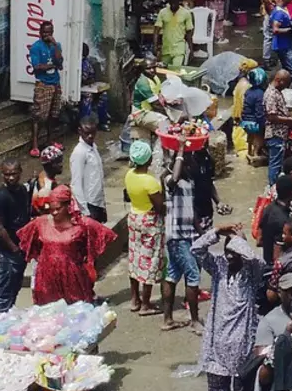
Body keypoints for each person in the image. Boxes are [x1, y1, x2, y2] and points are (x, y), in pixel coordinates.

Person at [196, 222, 266, 391]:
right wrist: (218, 232)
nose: (229, 257)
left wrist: (238, 240)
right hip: (215, 353)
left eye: (234, 253)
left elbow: (254, 258)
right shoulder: (218, 268)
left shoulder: (251, 271)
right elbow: (197, 249)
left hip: (244, 356)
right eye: (227, 252)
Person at [18, 188, 116, 304]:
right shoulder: (40, 223)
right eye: (51, 209)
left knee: (77, 312)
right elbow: (26, 239)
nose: (54, 213)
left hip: (72, 276)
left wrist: (86, 254)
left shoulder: (82, 224)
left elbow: (105, 235)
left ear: (68, 205)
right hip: (46, 277)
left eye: (58, 209)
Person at [164, 152, 213, 330]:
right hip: (177, 236)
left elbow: (191, 211)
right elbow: (174, 177)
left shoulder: (189, 182)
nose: (192, 165)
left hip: (187, 235)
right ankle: (194, 320)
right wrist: (181, 149)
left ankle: (168, 319)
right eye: (189, 162)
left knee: (173, 274)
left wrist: (202, 234)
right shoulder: (170, 180)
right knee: (193, 275)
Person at [123, 141, 165, 316]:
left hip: (134, 218)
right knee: (149, 260)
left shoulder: (129, 175)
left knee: (134, 257)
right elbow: (160, 207)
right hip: (149, 221)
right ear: (148, 160)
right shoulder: (150, 182)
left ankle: (135, 299)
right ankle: (146, 304)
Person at [0, 157, 35, 312]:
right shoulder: (0, 197)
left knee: (15, 289)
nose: (10, 178)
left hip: (21, 249)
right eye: (7, 174)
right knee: (5, 294)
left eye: (14, 174)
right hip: (8, 253)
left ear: (20, 173)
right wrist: (14, 248)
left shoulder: (22, 191)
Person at [28, 20, 64, 156]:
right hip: (43, 84)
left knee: (54, 114)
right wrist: (53, 66)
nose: (46, 35)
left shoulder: (56, 45)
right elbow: (37, 66)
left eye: (49, 32)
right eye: (44, 32)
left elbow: (60, 62)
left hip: (55, 83)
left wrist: (55, 46)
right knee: (39, 115)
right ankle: (35, 145)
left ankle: (50, 140)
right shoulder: (36, 47)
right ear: (40, 33)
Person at [72, 117, 108, 222]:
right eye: (87, 133)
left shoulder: (93, 147)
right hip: (89, 204)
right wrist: (85, 211)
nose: (90, 136)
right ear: (80, 131)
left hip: (98, 201)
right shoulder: (79, 152)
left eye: (93, 133)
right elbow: (75, 184)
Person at [155, 0, 196, 71]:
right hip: (166, 48)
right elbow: (156, 31)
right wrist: (155, 46)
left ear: (179, 2)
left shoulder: (186, 13)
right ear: (169, 3)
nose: (173, 5)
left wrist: (191, 49)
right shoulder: (162, 12)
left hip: (179, 48)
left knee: (176, 71)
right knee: (165, 72)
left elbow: (189, 34)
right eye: (171, 3)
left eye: (175, 3)